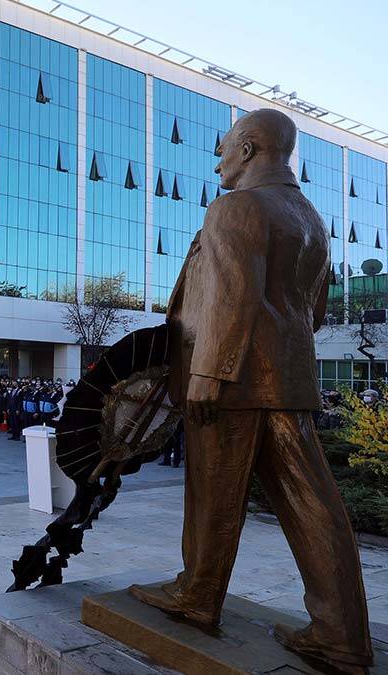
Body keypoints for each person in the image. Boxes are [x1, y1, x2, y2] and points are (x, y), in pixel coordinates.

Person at [130, 109, 373, 670]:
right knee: (315, 505)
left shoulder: (235, 208)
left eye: (222, 148)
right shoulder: (309, 217)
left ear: (248, 146)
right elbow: (312, 310)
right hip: (287, 376)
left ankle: (197, 595)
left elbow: (234, 295)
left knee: (213, 495)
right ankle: (342, 634)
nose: (217, 160)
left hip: (232, 378)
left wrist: (210, 371)